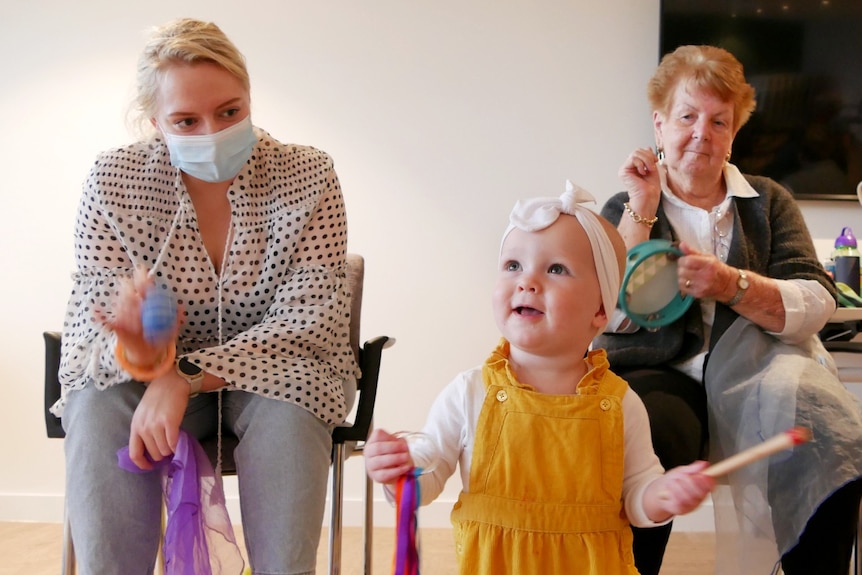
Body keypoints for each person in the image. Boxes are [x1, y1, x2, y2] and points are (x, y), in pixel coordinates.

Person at [50, 18, 358, 575]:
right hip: (147, 385)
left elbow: (310, 318)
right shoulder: (113, 181)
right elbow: (89, 328)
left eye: (230, 111)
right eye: (185, 120)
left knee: (291, 408)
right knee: (96, 403)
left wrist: (185, 375)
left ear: (249, 99)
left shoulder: (309, 174)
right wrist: (145, 355)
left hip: (276, 373)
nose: (212, 131)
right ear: (154, 122)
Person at [594, 44, 862, 575]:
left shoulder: (768, 201)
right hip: (658, 371)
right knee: (647, 432)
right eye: (687, 116)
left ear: (735, 132)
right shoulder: (624, 205)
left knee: (829, 433)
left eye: (719, 121)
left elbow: (815, 302)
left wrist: (733, 284)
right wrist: (642, 210)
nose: (702, 132)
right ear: (660, 122)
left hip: (762, 372)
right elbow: (608, 315)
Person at [365, 184, 715, 574]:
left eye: (556, 269)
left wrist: (665, 495)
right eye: (513, 265)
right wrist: (400, 468)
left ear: (601, 310)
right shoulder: (470, 392)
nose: (527, 282)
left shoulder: (620, 403)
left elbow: (637, 496)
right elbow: (427, 475)